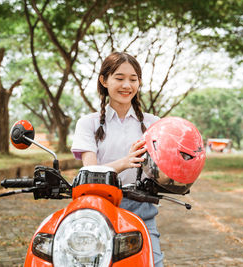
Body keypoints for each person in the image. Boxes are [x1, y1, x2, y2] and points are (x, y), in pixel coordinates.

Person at [71, 51, 163, 266]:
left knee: (153, 263)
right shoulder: (88, 123)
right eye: (119, 78)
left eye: (133, 79)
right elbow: (90, 172)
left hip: (143, 210)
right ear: (104, 80)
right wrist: (125, 161)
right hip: (99, 210)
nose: (126, 85)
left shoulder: (154, 123)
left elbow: (164, 168)